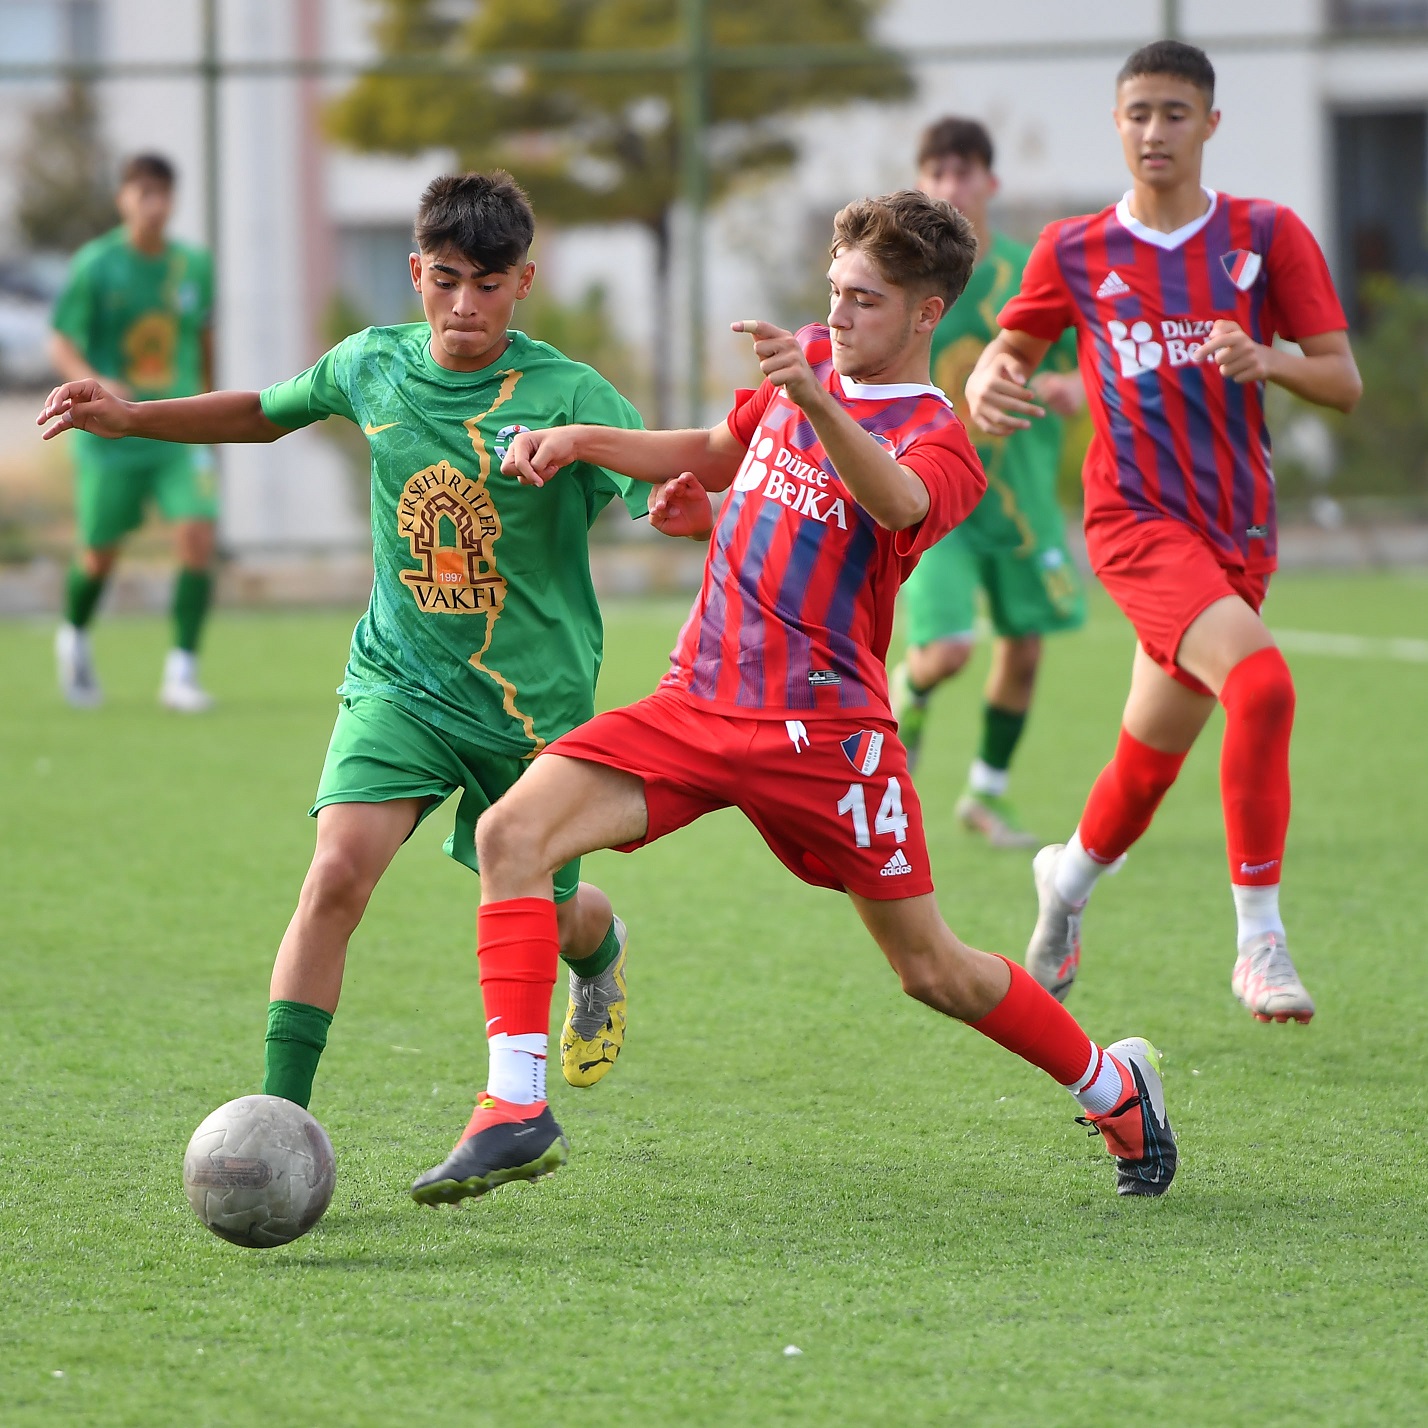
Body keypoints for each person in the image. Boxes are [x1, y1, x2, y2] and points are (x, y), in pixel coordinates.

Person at [407, 189, 1178, 1209]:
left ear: (925, 314)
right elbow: (721, 456)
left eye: (866, 300)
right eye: (835, 292)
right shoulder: (803, 370)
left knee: (932, 972)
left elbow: (894, 503)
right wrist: (588, 444)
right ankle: (514, 1107)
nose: (843, 314)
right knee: (512, 837)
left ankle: (1115, 1088)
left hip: (827, 739)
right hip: (699, 701)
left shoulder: (940, 442)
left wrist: (816, 397)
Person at [38, 170, 657, 1114]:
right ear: (415, 271)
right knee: (334, 876)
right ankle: (278, 1121)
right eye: (446, 279)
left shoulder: (572, 393)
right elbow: (262, 413)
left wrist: (686, 510)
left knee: (557, 909)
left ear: (523, 283)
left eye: (489, 285)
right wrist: (131, 415)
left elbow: (662, 491)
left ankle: (600, 953)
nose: (464, 305)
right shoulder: (372, 363)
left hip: (532, 708)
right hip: (399, 685)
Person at [965, 42, 1362, 1020]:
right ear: (1117, 122)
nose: (1155, 131)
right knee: (1262, 686)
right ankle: (1260, 944)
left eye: (1175, 113)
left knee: (1145, 767)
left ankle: (1063, 886)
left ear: (1210, 126)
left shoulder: (1268, 235)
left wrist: (1264, 358)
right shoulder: (1075, 247)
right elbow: (1007, 353)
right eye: (1138, 111)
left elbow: (1342, 380)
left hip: (1239, 534)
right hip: (1135, 523)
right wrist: (985, 381)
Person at [890, 117, 1086, 849]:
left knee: (1025, 644)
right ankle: (906, 695)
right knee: (947, 652)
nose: (951, 185)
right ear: (922, 182)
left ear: (989, 183)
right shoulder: (903, 282)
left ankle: (984, 794)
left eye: (963, 171)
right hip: (935, 501)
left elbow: (1085, 362)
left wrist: (1070, 387)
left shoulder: (1028, 272)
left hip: (1020, 500)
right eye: (936, 171)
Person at [49, 153, 218, 711]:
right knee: (99, 554)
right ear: (123, 198)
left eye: (163, 194)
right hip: (110, 435)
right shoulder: (95, 265)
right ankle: (72, 635)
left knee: (197, 535)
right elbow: (60, 341)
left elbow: (204, 339)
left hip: (176, 431)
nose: (154, 205)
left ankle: (182, 672)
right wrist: (89, 381)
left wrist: (214, 415)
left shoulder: (192, 265)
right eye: (143, 193)